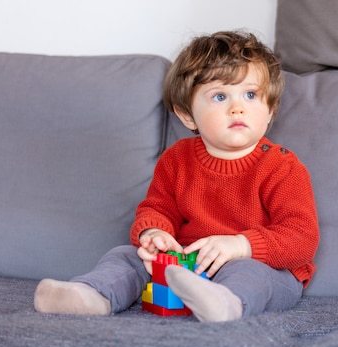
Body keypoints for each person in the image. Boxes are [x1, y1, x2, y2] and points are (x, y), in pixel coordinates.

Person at [34, 30, 320, 322]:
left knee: (249, 274)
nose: (238, 107)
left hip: (261, 265)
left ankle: (226, 304)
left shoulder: (282, 166)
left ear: (270, 109)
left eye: (250, 94)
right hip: (187, 262)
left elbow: (301, 238)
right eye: (220, 96)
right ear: (186, 115)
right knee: (126, 256)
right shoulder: (176, 159)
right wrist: (154, 234)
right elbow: (157, 208)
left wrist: (240, 245)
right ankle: (91, 295)